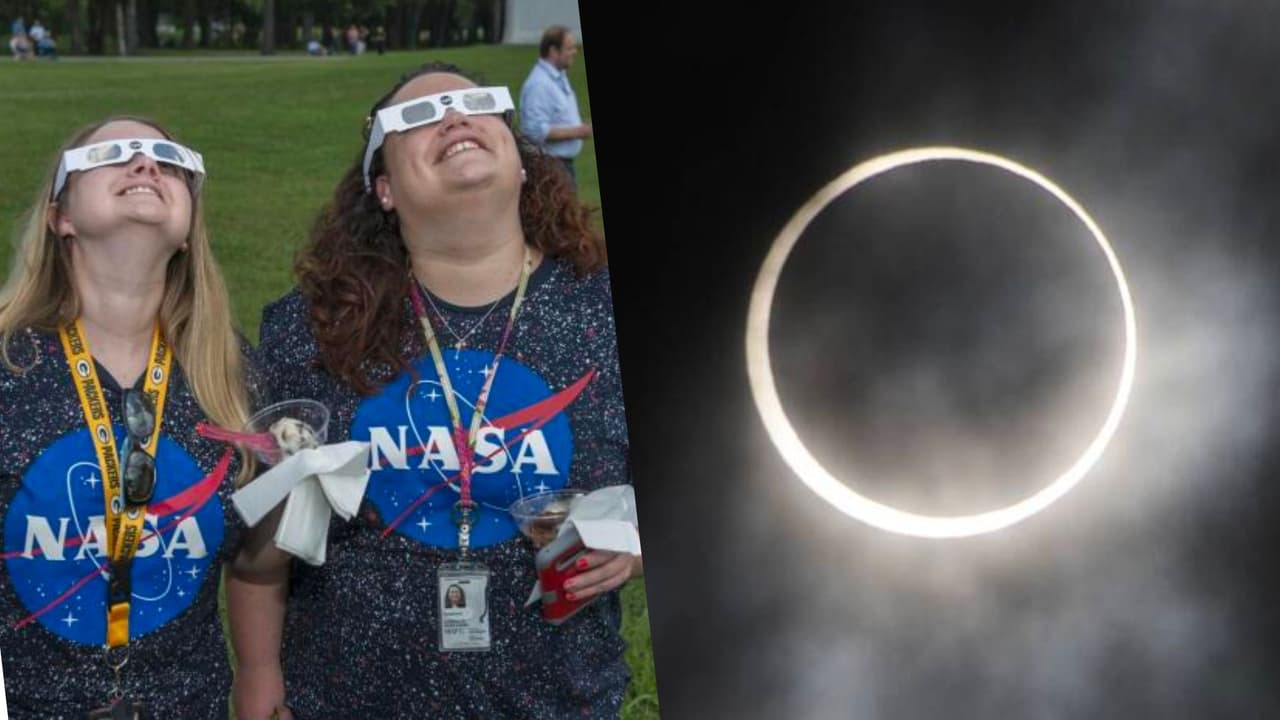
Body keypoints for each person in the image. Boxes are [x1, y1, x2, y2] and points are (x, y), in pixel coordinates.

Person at [229, 61, 642, 718]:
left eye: (476, 104)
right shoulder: (311, 328)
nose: (453, 117)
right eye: (417, 116)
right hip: (348, 699)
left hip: (556, 698)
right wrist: (257, 674)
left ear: (521, 161)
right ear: (385, 188)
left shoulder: (605, 311)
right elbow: (264, 542)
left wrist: (632, 542)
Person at [0, 117, 256, 717]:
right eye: (114, 154)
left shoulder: (230, 374)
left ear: (188, 230)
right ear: (60, 217)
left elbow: (256, 560)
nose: (146, 164)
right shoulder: (9, 365)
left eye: (169, 159)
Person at [519, 25, 592, 188]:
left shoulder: (557, 77)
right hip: (551, 169)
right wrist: (577, 132)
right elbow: (534, 131)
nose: (575, 52)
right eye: (569, 48)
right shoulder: (539, 85)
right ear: (553, 51)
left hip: (561, 166)